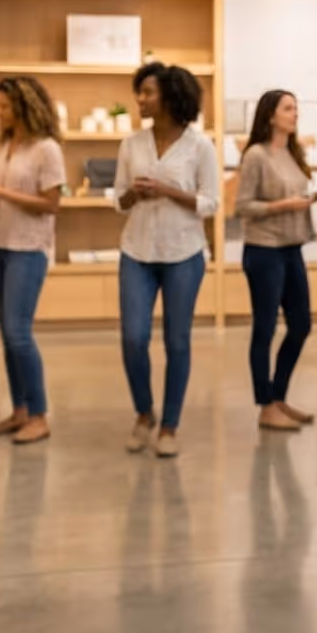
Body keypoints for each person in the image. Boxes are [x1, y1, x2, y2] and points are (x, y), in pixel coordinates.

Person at [114, 63, 220, 457]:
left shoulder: (200, 146)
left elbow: (210, 203)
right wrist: (135, 195)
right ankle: (144, 413)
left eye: (147, 92)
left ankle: (170, 425)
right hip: (136, 251)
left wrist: (168, 190)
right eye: (139, 92)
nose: (140, 99)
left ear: (171, 97)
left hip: (183, 254)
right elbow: (118, 201)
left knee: (177, 341)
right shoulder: (131, 145)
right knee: (133, 338)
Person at [0, 76, 66, 445]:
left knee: (18, 332)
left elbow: (51, 204)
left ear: (25, 107)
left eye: (5, 107)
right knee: (8, 336)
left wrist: (1, 193)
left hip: (27, 249)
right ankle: (19, 411)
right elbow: (3, 193)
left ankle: (39, 414)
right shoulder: (4, 146)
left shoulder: (46, 150)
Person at [237, 90, 317, 432]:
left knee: (302, 324)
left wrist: (309, 199)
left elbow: (294, 196)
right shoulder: (256, 157)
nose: (295, 114)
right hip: (263, 250)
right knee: (265, 327)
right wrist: (284, 206)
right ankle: (265, 406)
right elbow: (243, 207)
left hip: (292, 248)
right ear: (270, 115)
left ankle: (278, 397)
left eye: (296, 109)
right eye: (288, 109)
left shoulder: (293, 153)